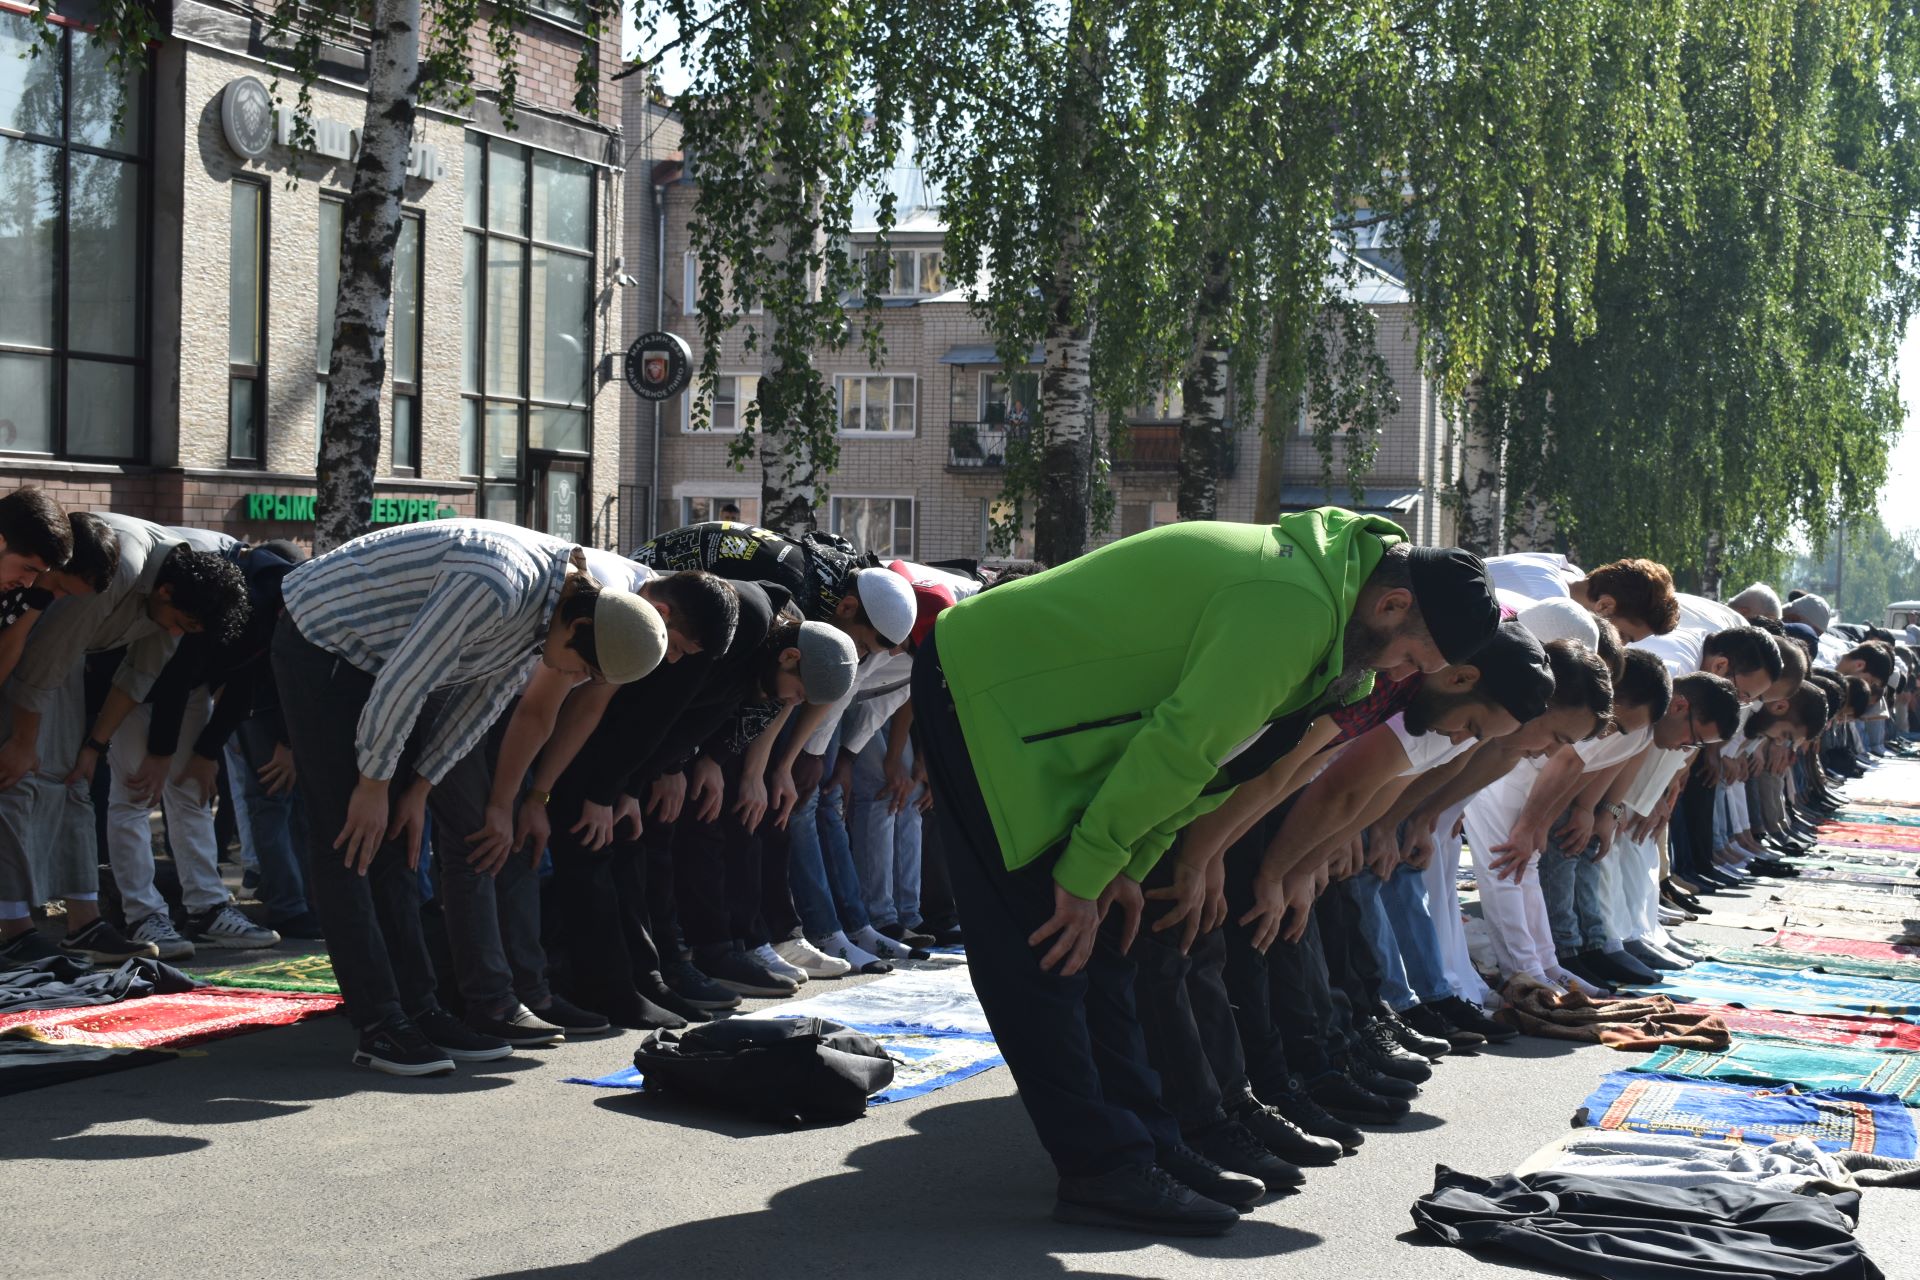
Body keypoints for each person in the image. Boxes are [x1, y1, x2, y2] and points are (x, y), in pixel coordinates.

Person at [913, 511, 1499, 1235]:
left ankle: (1152, 1143)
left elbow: (1225, 768)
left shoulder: (1340, 645)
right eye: (1416, 657)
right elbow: (1181, 746)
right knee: (1045, 948)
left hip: (1067, 727)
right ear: (1391, 605)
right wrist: (1089, 871)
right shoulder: (1292, 604)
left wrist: (1131, 862)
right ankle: (1103, 1168)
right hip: (986, 690)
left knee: (1111, 944)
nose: (1407, 678)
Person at [272, 519, 669, 1076]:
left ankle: (420, 1007)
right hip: (326, 637)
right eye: (582, 667)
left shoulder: (545, 619)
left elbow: (477, 707)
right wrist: (372, 784)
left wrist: (419, 788)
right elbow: (406, 683)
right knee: (348, 837)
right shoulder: (496, 587)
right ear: (579, 626)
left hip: (382, 659)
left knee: (394, 836)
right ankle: (380, 1023)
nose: (573, 678)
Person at [0, 515, 248, 963]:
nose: (175, 633)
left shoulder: (175, 585)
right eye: (179, 622)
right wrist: (22, 741)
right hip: (28, 656)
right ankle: (15, 926)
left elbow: (139, 676)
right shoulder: (124, 566)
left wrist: (95, 746)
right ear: (165, 593)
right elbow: (42, 660)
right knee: (22, 780)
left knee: (76, 783)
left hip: (64, 664)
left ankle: (85, 924)